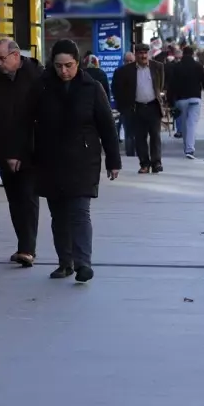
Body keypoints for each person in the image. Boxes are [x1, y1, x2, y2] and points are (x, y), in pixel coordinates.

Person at [31, 40, 121, 283]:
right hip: (50, 160)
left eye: (68, 65)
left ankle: (83, 263)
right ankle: (65, 262)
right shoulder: (42, 87)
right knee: (58, 215)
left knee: (80, 213)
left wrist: (114, 160)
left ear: (78, 63)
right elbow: (28, 122)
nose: (64, 71)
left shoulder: (92, 88)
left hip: (83, 160)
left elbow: (107, 126)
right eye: (59, 66)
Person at [0, 39, 41, 267]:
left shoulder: (36, 76)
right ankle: (22, 245)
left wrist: (20, 153)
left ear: (16, 56)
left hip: (29, 151)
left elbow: (33, 120)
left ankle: (28, 249)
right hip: (4, 151)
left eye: (2, 58)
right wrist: (2, 151)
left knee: (28, 198)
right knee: (14, 201)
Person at [111, 43, 166, 173]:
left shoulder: (157, 67)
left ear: (149, 54)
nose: (143, 56)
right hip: (137, 107)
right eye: (140, 53)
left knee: (155, 136)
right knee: (140, 137)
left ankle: (156, 163)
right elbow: (116, 88)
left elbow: (160, 85)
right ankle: (144, 164)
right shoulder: (126, 71)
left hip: (153, 105)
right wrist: (124, 105)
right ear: (136, 55)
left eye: (145, 53)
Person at [167, 45, 204, 159]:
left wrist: (170, 103)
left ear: (183, 54)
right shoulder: (198, 66)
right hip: (195, 99)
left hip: (181, 100)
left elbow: (171, 86)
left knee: (183, 125)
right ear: (193, 54)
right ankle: (189, 149)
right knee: (191, 124)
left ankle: (187, 147)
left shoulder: (177, 67)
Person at [114, 51, 135, 156]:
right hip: (125, 106)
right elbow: (115, 89)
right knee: (128, 131)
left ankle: (136, 150)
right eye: (127, 61)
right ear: (123, 61)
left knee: (135, 131)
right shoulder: (118, 72)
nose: (129, 63)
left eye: (131, 61)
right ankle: (130, 152)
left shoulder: (138, 72)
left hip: (138, 105)